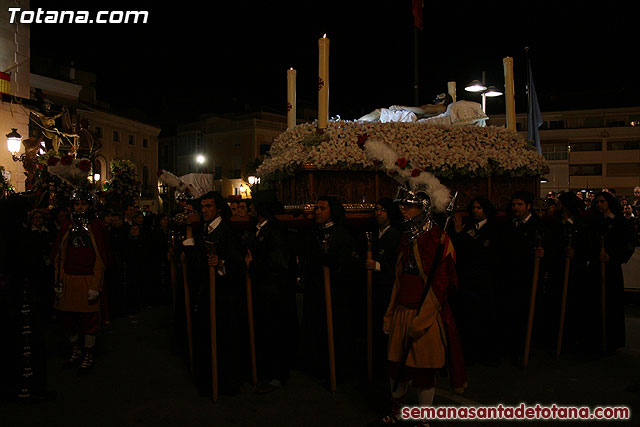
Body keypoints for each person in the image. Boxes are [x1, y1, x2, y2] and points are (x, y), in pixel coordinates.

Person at [382, 186, 466, 424]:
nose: (402, 210)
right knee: (397, 367)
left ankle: (423, 418)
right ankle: (395, 411)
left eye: (408, 206)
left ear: (423, 209)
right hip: (402, 313)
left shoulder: (438, 239)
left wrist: (423, 320)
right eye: (402, 205)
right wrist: (390, 315)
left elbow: (443, 285)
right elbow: (398, 282)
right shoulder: (406, 238)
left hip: (426, 316)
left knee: (424, 372)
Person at [182, 191, 246, 396]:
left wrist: (221, 264)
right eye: (203, 207)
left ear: (218, 208)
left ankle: (225, 382)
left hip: (224, 297)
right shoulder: (205, 231)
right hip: (207, 293)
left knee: (224, 339)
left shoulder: (227, 232)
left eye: (208, 206)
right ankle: (208, 379)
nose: (204, 210)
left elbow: (238, 264)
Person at [300, 196, 362, 383]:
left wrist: (335, 263)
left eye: (322, 208)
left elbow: (351, 263)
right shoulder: (312, 234)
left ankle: (339, 369)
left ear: (332, 211)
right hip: (316, 291)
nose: (317, 212)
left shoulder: (342, 235)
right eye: (316, 208)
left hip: (337, 294)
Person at [52, 188, 109, 374]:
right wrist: (58, 282)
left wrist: (96, 285)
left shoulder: (97, 226)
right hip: (68, 279)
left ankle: (88, 354)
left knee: (89, 320)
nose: (80, 207)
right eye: (77, 203)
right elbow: (60, 256)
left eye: (83, 203)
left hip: (88, 280)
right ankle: (76, 351)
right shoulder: (67, 225)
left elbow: (100, 258)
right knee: (68, 319)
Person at [245, 190, 297, 393]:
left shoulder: (275, 230)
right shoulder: (259, 228)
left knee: (275, 333)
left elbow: (279, 263)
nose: (249, 207)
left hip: (274, 294)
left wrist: (253, 264)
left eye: (253, 204)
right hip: (263, 292)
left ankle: (277, 375)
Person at [496, 190, 546, 362]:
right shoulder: (510, 224)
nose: (516, 208)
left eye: (520, 205)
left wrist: (543, 253)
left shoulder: (538, 225)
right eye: (514, 204)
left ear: (528, 206)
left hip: (528, 278)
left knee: (527, 313)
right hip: (511, 277)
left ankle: (527, 346)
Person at [450, 196, 500, 366]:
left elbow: (483, 252)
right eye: (474, 208)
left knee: (483, 319)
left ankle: (485, 354)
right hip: (468, 280)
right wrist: (459, 234)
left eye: (479, 208)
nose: (475, 211)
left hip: (484, 282)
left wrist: (465, 238)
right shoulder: (469, 227)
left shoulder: (493, 229)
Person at [586, 191, 635, 351]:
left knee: (612, 302)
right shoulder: (594, 221)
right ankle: (595, 338)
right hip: (595, 266)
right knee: (594, 302)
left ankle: (612, 339)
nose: (599, 205)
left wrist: (612, 256)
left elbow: (628, 244)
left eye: (602, 202)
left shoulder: (620, 222)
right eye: (597, 202)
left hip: (611, 268)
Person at [364, 198, 403, 379]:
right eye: (377, 209)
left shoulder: (395, 235)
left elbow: (397, 265)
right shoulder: (375, 233)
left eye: (383, 210)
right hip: (375, 289)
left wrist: (378, 266)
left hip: (388, 289)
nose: (378, 213)